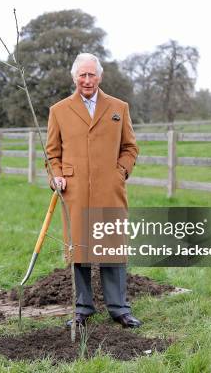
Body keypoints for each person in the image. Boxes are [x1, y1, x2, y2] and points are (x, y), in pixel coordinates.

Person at [46, 53, 142, 329]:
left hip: (109, 190)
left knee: (112, 247)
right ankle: (82, 308)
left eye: (92, 75)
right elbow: (52, 154)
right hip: (74, 192)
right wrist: (57, 176)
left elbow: (130, 147)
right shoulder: (59, 111)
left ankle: (119, 308)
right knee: (80, 250)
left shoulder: (118, 107)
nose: (87, 80)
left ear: (100, 77)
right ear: (74, 77)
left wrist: (120, 172)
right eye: (82, 75)